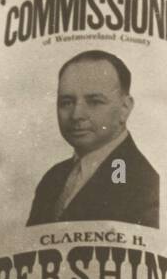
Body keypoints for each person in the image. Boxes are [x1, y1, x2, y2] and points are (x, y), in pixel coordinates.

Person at [27, 50, 159, 228]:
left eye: (94, 101)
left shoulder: (145, 184)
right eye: (66, 102)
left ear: (125, 108)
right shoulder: (53, 178)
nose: (76, 115)